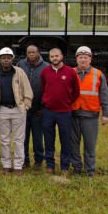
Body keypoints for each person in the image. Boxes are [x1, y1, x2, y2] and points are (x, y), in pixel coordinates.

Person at [0, 47, 33, 175]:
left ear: (12, 59)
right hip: (2, 110)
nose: (6, 60)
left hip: (18, 110)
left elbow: (28, 91)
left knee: (19, 139)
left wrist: (26, 105)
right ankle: (6, 165)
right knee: (4, 139)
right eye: (3, 58)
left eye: (8, 57)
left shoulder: (19, 72)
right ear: (0, 59)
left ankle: (18, 166)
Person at [71, 46, 108, 177]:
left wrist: (106, 114)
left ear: (90, 59)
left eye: (85, 57)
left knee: (90, 146)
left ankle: (90, 171)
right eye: (80, 57)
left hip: (90, 116)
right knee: (73, 145)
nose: (83, 60)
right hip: (73, 115)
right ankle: (76, 168)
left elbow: (104, 95)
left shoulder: (98, 74)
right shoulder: (70, 73)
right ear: (76, 59)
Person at [40, 47, 81, 175]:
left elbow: (76, 92)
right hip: (48, 112)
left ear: (61, 56)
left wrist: (67, 102)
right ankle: (50, 165)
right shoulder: (45, 72)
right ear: (49, 58)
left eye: (57, 56)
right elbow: (43, 89)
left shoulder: (70, 72)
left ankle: (64, 167)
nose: (54, 58)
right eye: (52, 56)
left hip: (65, 112)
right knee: (48, 140)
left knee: (65, 140)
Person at [17, 44, 48, 169]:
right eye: (29, 52)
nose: (31, 54)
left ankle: (39, 161)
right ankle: (24, 161)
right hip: (23, 109)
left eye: (33, 52)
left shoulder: (46, 67)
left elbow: (48, 89)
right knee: (22, 138)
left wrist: (44, 108)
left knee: (38, 138)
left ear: (38, 52)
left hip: (38, 110)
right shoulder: (20, 65)